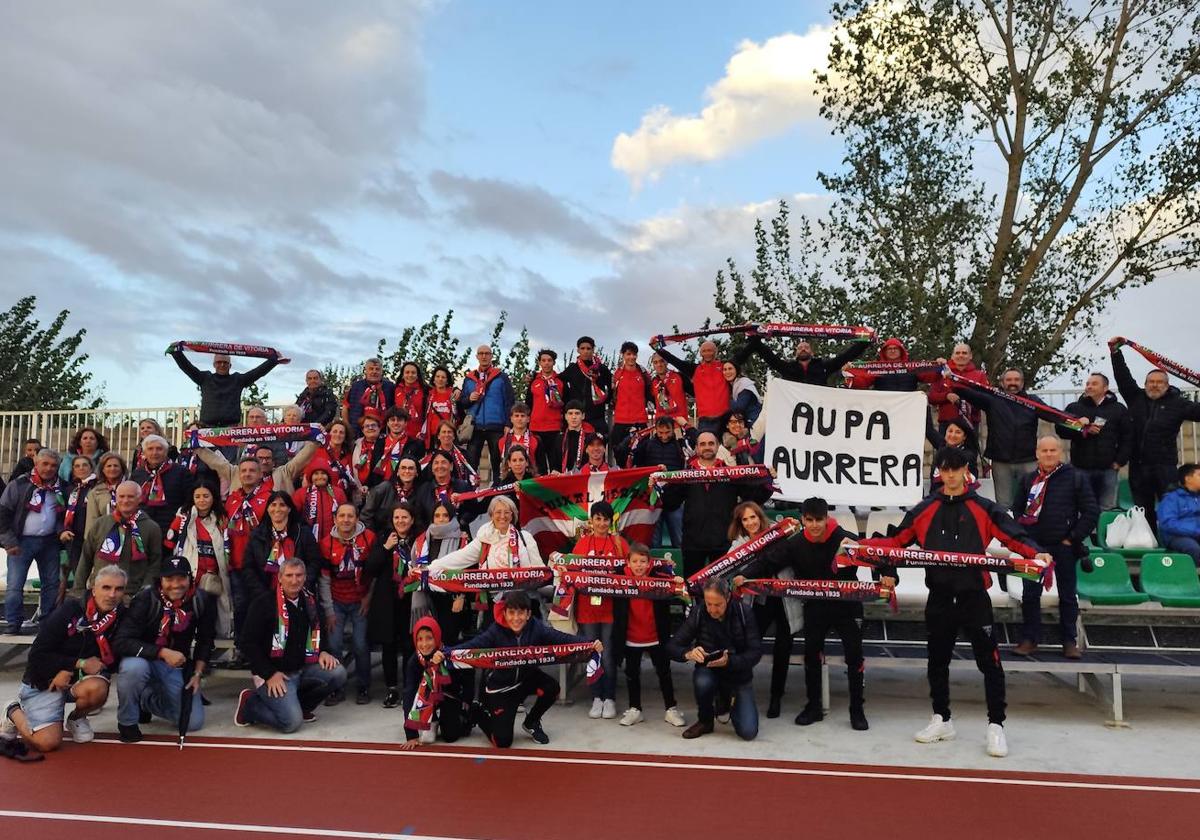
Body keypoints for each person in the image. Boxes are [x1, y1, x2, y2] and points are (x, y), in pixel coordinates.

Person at [857, 446, 1051, 758]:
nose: (950, 475)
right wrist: (861, 548)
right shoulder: (924, 509)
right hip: (940, 597)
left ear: (965, 472)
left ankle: (996, 726)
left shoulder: (984, 508)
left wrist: (1035, 552)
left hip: (975, 596)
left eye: (955, 469)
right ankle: (941, 719)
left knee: (989, 663)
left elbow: (1013, 535)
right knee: (937, 661)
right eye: (944, 469)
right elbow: (894, 543)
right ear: (938, 473)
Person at [739, 497, 891, 728]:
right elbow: (769, 562)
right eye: (809, 520)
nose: (814, 525)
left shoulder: (846, 539)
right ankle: (814, 707)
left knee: (854, 657)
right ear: (803, 520)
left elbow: (878, 555)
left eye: (819, 520)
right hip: (815, 607)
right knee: (811, 657)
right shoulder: (796, 543)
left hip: (847, 606)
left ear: (827, 518)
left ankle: (857, 710)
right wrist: (746, 575)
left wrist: (890, 574)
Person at [448, 590, 599, 747]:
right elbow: (471, 647)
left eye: (520, 613)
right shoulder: (495, 631)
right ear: (504, 613)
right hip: (501, 688)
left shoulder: (536, 627)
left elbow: (560, 638)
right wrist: (446, 653)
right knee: (502, 742)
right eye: (511, 613)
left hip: (526, 679)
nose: (516, 618)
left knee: (552, 688)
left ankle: (531, 722)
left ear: (528, 614)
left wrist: (589, 644)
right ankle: (478, 713)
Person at [1, 565, 126, 753]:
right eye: (106, 587)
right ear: (93, 589)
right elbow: (37, 655)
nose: (112, 594)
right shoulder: (69, 610)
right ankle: (12, 711)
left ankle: (76, 718)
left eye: (119, 589)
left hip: (79, 680)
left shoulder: (121, 616)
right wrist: (75, 664)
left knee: (98, 688)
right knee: (47, 744)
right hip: (46, 681)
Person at [234, 557, 346, 732]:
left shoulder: (309, 601)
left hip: (302, 668)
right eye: (289, 575)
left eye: (299, 575)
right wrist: (269, 674)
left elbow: (320, 631)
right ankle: (250, 705)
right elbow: (248, 644)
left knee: (337, 672)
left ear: (305, 577)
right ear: (279, 578)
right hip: (273, 674)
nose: (294, 580)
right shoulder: (263, 603)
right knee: (291, 724)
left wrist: (323, 651)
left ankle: (302, 706)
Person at [1012, 437, 1099, 659]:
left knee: (1068, 596)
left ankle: (1069, 641)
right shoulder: (1027, 480)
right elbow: (1017, 511)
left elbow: (1091, 512)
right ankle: (1030, 639)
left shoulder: (1076, 478)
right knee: (1030, 595)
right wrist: (1027, 542)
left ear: (1060, 452)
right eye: (1044, 450)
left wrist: (1072, 538)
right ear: (1037, 453)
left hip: (1064, 547)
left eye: (1053, 450)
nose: (1049, 454)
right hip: (1034, 549)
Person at [113, 556, 216, 742]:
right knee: (133, 669)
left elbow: (205, 640)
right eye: (169, 579)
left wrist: (198, 674)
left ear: (190, 578)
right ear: (161, 580)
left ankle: (146, 700)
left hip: (175, 665)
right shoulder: (145, 599)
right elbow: (121, 641)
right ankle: (127, 721)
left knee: (193, 723)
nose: (175, 585)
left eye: (181, 578)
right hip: (143, 658)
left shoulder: (201, 600)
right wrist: (161, 652)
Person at [1109, 337, 1200, 531]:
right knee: (1143, 510)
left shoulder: (1179, 403)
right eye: (1151, 382)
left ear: (1167, 385)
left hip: (1165, 467)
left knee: (1169, 508)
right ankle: (1149, 543)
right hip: (1138, 466)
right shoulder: (1135, 397)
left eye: (1159, 382)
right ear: (1145, 383)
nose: (1155, 385)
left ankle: (1171, 545)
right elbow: (1122, 376)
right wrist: (1115, 353)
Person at [666, 578, 761, 741]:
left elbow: (756, 652)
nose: (712, 609)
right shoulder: (698, 612)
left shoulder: (744, 612)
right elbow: (672, 646)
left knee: (748, 732)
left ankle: (728, 702)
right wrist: (687, 653)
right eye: (709, 603)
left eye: (718, 605)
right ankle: (705, 721)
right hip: (709, 669)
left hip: (738, 674)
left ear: (728, 597)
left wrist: (730, 662)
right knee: (703, 682)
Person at [669, 431, 771, 578]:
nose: (707, 447)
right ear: (696, 448)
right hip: (693, 543)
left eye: (711, 443)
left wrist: (768, 481)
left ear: (717, 447)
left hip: (723, 542)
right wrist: (661, 484)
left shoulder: (730, 474)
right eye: (702, 444)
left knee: (722, 588)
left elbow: (752, 497)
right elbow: (671, 503)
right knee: (692, 586)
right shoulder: (686, 476)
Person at [611, 542, 685, 728]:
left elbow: (676, 584)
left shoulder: (659, 577)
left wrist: (676, 581)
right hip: (631, 636)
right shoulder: (618, 578)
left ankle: (671, 708)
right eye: (635, 561)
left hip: (655, 636)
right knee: (632, 674)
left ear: (649, 563)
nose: (639, 565)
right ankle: (635, 709)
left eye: (643, 561)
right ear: (628, 563)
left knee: (664, 672)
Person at [568, 501, 625, 720]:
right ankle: (596, 697)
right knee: (594, 652)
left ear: (611, 522)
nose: (601, 523)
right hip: (587, 608)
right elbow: (572, 571)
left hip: (610, 608)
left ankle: (609, 697)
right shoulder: (582, 544)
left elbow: (630, 571)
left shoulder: (619, 543)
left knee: (608, 654)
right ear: (591, 521)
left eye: (605, 519)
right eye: (598, 519)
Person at [960, 368, 1047, 508]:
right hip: (1001, 461)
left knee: (1030, 504)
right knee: (1003, 504)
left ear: (1023, 382)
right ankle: (1006, 530)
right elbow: (969, 392)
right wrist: (950, 379)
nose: (1013, 383)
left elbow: (1053, 415)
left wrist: (1077, 422)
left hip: (1028, 460)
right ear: (1002, 382)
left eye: (1016, 380)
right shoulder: (993, 399)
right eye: (1009, 380)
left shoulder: (1033, 401)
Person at [0, 449, 66, 634]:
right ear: (36, 464)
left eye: (53, 465)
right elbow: (3, 514)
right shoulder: (19, 484)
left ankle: (47, 623)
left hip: (49, 541)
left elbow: (64, 515)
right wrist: (9, 541)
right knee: (15, 584)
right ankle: (13, 622)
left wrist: (61, 532)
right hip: (21, 542)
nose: (49, 468)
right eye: (45, 464)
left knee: (51, 583)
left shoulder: (62, 487)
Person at [318, 504, 376, 705]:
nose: (346, 520)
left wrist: (369, 597)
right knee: (334, 645)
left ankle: (363, 686)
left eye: (350, 516)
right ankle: (336, 687)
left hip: (360, 600)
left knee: (360, 644)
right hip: (336, 601)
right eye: (341, 516)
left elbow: (374, 572)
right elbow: (324, 579)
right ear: (335, 519)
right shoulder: (326, 543)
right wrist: (328, 609)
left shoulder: (368, 538)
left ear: (357, 518)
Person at [364, 503, 417, 709]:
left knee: (409, 645)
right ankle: (392, 688)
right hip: (388, 600)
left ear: (412, 520)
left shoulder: (418, 540)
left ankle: (409, 688)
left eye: (405, 517)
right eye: (397, 518)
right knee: (389, 645)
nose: (401, 521)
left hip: (411, 598)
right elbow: (371, 568)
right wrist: (386, 548)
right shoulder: (385, 538)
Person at [74, 480, 163, 602]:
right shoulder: (100, 524)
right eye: (121, 496)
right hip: (99, 594)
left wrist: (145, 589)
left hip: (132, 595)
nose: (125, 501)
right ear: (116, 498)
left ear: (140, 498)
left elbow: (154, 563)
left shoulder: (151, 527)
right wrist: (78, 590)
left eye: (131, 497)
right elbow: (86, 558)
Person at [164, 483, 233, 639]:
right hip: (191, 572)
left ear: (213, 497)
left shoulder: (221, 518)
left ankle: (216, 639)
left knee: (213, 610)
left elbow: (228, 544)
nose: (202, 500)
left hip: (213, 574)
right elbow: (169, 543)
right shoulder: (183, 516)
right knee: (190, 608)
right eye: (198, 496)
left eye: (206, 496)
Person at [1059, 372, 1132, 510]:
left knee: (1106, 508)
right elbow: (1061, 431)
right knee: (1080, 506)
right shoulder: (1074, 408)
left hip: (1109, 469)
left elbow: (1128, 437)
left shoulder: (1119, 409)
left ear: (1105, 388)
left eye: (1094, 384)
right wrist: (1080, 427)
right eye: (1087, 384)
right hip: (1080, 468)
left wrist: (1120, 461)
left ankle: (1103, 532)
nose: (1089, 387)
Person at [401, 616, 475, 746]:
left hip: (449, 695)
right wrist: (411, 735)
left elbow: (468, 676)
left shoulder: (449, 653)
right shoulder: (414, 661)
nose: (424, 644)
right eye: (420, 639)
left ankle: (467, 715)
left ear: (437, 636)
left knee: (451, 735)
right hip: (426, 698)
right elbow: (409, 693)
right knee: (428, 739)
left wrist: (466, 705)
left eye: (429, 638)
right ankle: (432, 719)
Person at [652, 339, 752, 434]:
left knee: (726, 448)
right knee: (705, 449)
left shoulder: (724, 367)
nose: (707, 353)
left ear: (715, 352)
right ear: (700, 353)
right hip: (705, 420)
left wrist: (755, 336)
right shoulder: (694, 369)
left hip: (724, 417)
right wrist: (657, 347)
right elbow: (675, 360)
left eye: (710, 350)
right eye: (704, 351)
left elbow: (743, 355)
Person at [242, 491, 322, 606]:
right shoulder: (256, 535)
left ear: (289, 509)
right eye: (273, 505)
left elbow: (314, 562)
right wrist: (262, 593)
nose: (277, 509)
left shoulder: (303, 533)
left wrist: (300, 585)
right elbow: (248, 567)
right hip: (265, 597)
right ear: (268, 509)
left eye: (282, 505)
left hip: (299, 594)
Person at [170, 345, 281, 427]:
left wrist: (273, 361)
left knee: (229, 459)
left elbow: (257, 372)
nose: (222, 365)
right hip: (206, 427)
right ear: (214, 364)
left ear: (230, 365)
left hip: (230, 429)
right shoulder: (204, 378)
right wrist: (176, 353)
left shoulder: (238, 380)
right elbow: (187, 367)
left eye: (225, 362)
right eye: (219, 362)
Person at [411, 502, 471, 646]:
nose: (441, 519)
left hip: (451, 598)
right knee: (427, 642)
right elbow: (414, 565)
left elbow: (468, 570)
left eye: (445, 515)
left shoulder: (462, 539)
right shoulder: (422, 540)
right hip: (426, 596)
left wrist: (461, 596)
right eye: (437, 516)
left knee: (449, 641)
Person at [632, 416, 693, 548]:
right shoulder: (647, 445)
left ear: (673, 429)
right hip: (653, 501)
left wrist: (686, 426)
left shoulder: (680, 445)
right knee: (654, 545)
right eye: (660, 432)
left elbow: (693, 452)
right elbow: (630, 456)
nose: (664, 436)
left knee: (680, 542)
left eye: (667, 432)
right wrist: (637, 436)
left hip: (675, 501)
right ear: (655, 430)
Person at [458, 344, 515, 478]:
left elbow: (510, 401)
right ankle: (471, 490)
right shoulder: (469, 378)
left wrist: (508, 423)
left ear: (491, 356)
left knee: (497, 461)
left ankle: (497, 490)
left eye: (487, 353)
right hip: (475, 426)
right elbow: (461, 402)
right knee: (471, 462)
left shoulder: (501, 377)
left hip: (496, 425)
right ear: (477, 356)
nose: (484, 356)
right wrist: (469, 398)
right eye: (481, 353)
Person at [132, 434, 196, 544]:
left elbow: (189, 501)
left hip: (171, 529)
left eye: (159, 449)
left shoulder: (181, 472)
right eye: (150, 449)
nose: (154, 453)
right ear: (144, 453)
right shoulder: (138, 474)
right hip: (142, 529)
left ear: (166, 452)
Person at [746, 332, 868, 387]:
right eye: (800, 348)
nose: (803, 349)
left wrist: (864, 343)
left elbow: (845, 357)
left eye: (806, 347)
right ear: (795, 353)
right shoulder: (787, 368)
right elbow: (769, 357)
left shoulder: (823, 366)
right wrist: (754, 339)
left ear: (812, 352)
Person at [928, 343, 990, 432]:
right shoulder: (942, 373)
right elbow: (931, 397)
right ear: (952, 356)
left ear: (970, 356)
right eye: (957, 353)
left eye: (964, 353)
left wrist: (968, 399)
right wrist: (946, 396)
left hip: (971, 423)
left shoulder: (980, 375)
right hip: (947, 423)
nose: (961, 355)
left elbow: (986, 399)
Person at [62, 454, 97, 605]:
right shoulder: (69, 489)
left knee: (95, 577)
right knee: (79, 576)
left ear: (91, 468)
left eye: (85, 465)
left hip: (92, 538)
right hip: (73, 539)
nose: (81, 468)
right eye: (77, 466)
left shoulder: (97, 487)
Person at [844, 338, 940, 392]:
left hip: (908, 408)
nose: (892, 351)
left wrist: (940, 367)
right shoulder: (877, 368)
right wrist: (849, 375)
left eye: (895, 348)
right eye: (889, 349)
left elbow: (930, 375)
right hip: (884, 409)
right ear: (884, 352)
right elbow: (863, 382)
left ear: (901, 351)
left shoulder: (911, 367)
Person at [610, 342, 653, 460]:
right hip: (621, 420)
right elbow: (611, 394)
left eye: (634, 354)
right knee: (620, 455)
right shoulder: (617, 374)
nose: (632, 357)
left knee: (641, 455)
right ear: (622, 355)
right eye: (628, 354)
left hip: (640, 420)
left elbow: (651, 392)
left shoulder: (643, 373)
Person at [561, 336, 613, 433]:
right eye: (582, 348)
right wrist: (534, 376)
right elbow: (556, 380)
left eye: (588, 348)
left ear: (593, 350)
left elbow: (611, 386)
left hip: (597, 416)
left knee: (598, 446)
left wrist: (606, 400)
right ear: (578, 350)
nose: (585, 351)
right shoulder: (572, 368)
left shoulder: (601, 369)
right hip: (577, 417)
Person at [526, 349, 565, 475]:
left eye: (549, 361)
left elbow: (565, 404)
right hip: (536, 428)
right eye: (543, 360)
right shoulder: (534, 381)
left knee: (555, 465)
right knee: (538, 465)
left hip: (554, 428)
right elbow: (528, 404)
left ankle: (556, 492)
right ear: (539, 362)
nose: (546, 363)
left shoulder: (560, 381)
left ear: (554, 362)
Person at [414, 450, 475, 528]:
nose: (440, 466)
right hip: (431, 534)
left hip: (459, 534)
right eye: (436, 463)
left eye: (443, 462)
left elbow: (473, 509)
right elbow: (418, 516)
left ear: (451, 466)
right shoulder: (424, 489)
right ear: (432, 468)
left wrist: (461, 522)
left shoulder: (463, 486)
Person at [362, 456, 421, 534]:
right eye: (403, 468)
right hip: (380, 537)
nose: (407, 471)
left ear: (417, 473)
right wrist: (374, 537)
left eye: (411, 468)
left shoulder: (420, 492)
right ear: (397, 472)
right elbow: (365, 516)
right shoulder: (384, 488)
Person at [1157, 464, 1200, 567]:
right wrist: (1195, 530)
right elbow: (1167, 523)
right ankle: (1192, 577)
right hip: (1176, 536)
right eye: (1199, 475)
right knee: (1192, 548)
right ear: (1188, 478)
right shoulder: (1171, 498)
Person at [292, 463, 346, 544]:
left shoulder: (338, 493)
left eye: (323, 473)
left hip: (334, 539)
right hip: (308, 541)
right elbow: (293, 517)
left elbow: (344, 513)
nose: (320, 477)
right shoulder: (300, 493)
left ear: (328, 475)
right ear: (311, 476)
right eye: (316, 474)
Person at [342, 357, 395, 434]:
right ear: (365, 371)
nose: (374, 372)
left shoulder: (390, 387)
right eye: (371, 369)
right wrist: (347, 427)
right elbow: (345, 408)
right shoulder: (355, 387)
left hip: (383, 432)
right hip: (357, 432)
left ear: (381, 371)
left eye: (377, 369)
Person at [375, 408, 426, 485]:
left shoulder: (417, 444)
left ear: (405, 423)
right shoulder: (379, 443)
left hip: (405, 486)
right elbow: (373, 466)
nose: (396, 423)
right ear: (388, 423)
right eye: (392, 420)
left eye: (399, 420)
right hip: (381, 486)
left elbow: (418, 470)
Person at [929, 419, 980, 494]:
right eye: (950, 431)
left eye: (958, 432)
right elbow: (929, 430)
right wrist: (926, 407)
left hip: (960, 500)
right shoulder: (942, 446)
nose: (952, 435)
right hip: (937, 498)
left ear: (964, 437)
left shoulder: (968, 455)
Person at [649, 352, 693, 424]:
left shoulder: (679, 377)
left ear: (667, 362)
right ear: (653, 365)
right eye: (655, 362)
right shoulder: (652, 382)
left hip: (679, 423)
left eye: (662, 361)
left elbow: (696, 393)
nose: (659, 365)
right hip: (661, 426)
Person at [423, 366, 460, 449]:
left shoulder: (453, 394)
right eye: (438, 376)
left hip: (448, 434)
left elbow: (459, 414)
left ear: (447, 380)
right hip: (432, 435)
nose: (440, 379)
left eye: (443, 377)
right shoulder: (428, 395)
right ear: (434, 379)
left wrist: (457, 390)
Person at [351, 415, 386, 491]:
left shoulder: (387, 444)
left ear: (379, 428)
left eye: (373, 425)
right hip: (359, 488)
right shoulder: (356, 445)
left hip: (378, 489)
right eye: (367, 426)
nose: (370, 428)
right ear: (362, 430)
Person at [499, 402, 539, 467]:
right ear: (511, 419)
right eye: (516, 416)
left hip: (530, 475)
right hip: (508, 475)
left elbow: (541, 466)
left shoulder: (535, 440)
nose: (519, 419)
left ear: (528, 419)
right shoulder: (502, 441)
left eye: (522, 416)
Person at [723, 360, 761, 427]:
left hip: (755, 423)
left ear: (736, 370)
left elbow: (739, 407)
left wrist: (723, 398)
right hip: (746, 424)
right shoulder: (733, 387)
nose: (727, 372)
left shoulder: (744, 383)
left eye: (730, 369)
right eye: (725, 369)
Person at [557, 401, 590, 473]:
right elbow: (555, 466)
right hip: (564, 478)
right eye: (570, 413)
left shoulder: (590, 437)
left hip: (585, 477)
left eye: (577, 413)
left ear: (583, 416)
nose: (574, 417)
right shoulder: (559, 438)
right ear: (565, 416)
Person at [393, 362, 428, 427]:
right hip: (399, 430)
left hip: (419, 431)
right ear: (403, 375)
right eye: (407, 372)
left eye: (413, 373)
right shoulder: (396, 389)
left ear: (417, 375)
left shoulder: (425, 390)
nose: (410, 375)